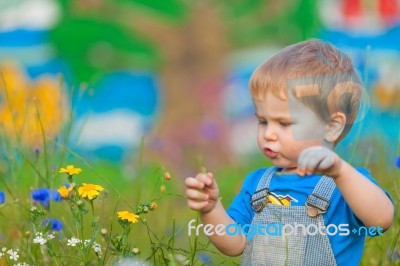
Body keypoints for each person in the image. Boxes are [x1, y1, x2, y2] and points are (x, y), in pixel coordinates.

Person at [185, 39, 394, 266]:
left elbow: (381, 220)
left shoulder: (347, 185)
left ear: (331, 127)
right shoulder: (257, 184)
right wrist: (211, 209)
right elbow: (235, 244)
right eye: (263, 121)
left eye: (284, 124)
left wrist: (341, 172)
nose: (269, 134)